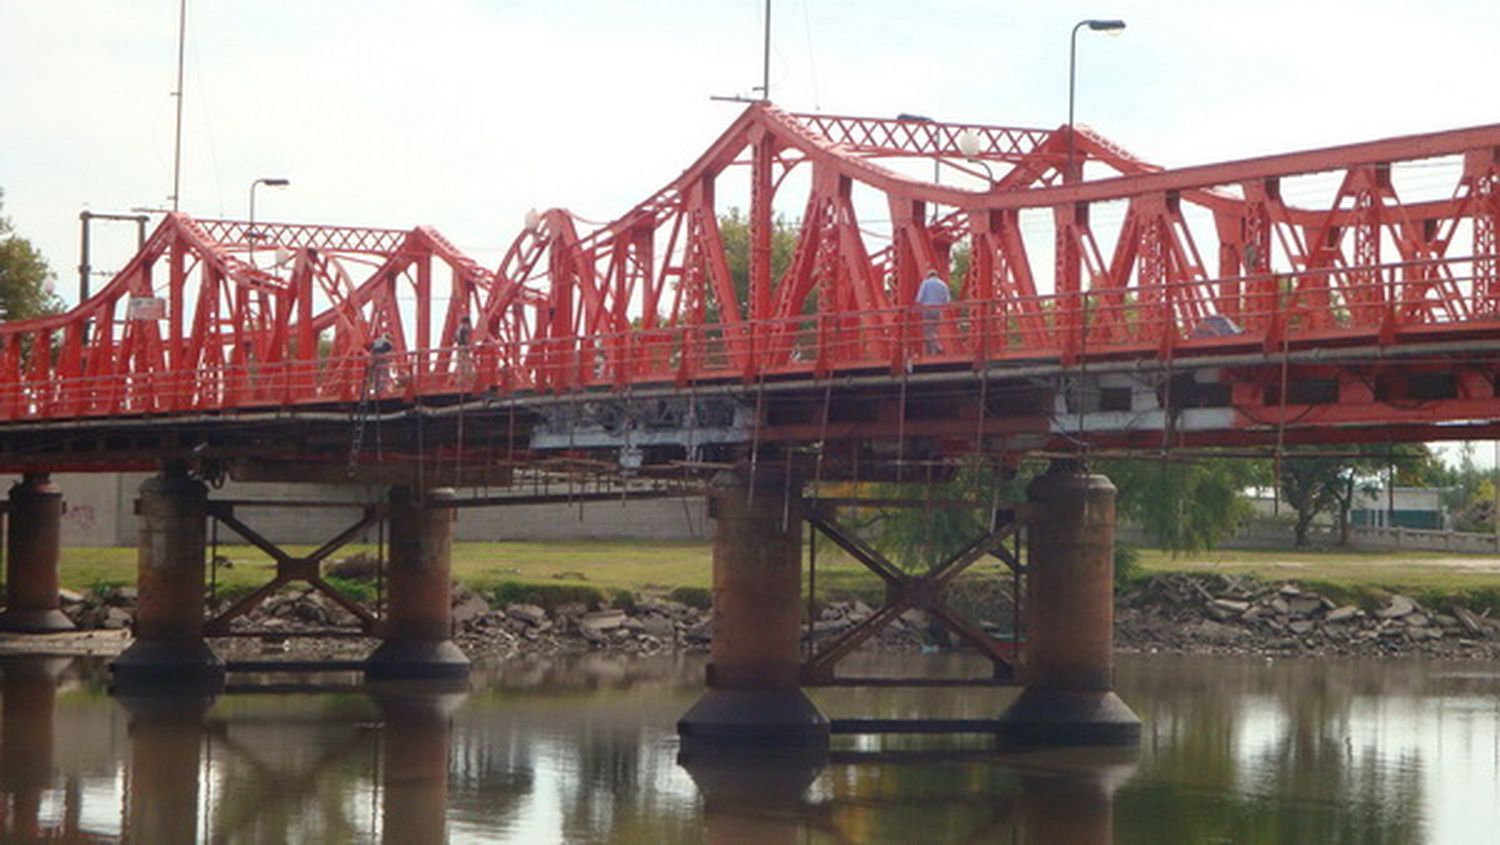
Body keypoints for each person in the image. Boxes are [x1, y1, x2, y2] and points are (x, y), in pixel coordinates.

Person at [915, 268, 951, 354]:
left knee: (927, 330)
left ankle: (937, 346)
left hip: (927, 308)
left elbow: (919, 299)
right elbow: (947, 300)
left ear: (928, 275)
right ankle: (932, 352)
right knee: (934, 329)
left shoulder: (926, 283)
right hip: (938, 310)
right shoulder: (943, 284)